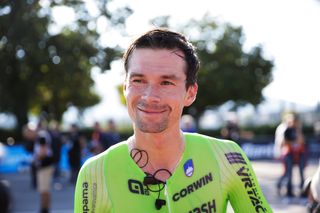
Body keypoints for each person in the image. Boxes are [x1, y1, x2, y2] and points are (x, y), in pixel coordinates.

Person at [74, 28, 272, 212]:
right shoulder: (95, 173)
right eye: (138, 80)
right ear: (125, 87)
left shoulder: (228, 157)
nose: (150, 96)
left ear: (190, 93)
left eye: (166, 82)